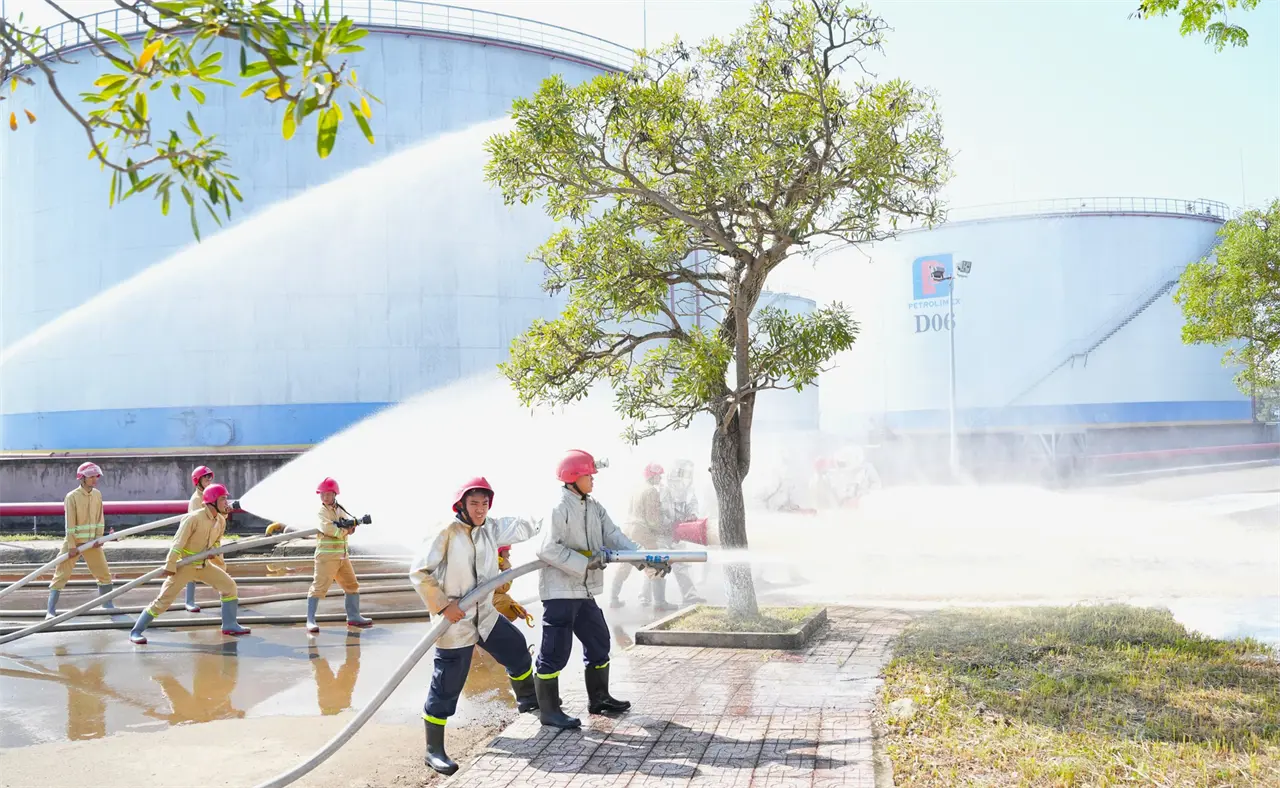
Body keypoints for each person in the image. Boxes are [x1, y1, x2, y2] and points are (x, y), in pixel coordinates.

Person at [409, 477, 541, 775]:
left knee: (517, 650)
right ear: (461, 505)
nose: (480, 509)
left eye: (484, 503)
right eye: (474, 503)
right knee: (447, 684)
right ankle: (433, 750)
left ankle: (529, 703)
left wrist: (551, 517)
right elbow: (419, 572)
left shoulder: (490, 529)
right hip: (455, 620)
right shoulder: (446, 531)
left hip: (486, 614)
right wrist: (443, 605)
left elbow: (522, 526)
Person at [534, 449, 670, 730]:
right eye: (589, 475)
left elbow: (616, 537)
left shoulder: (594, 506)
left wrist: (646, 559)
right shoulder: (558, 507)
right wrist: (584, 563)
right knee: (555, 652)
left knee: (599, 642)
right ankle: (550, 711)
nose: (593, 479)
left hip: (583, 592)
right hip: (560, 592)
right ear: (573, 478)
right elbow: (546, 548)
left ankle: (599, 699)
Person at [129, 483, 250, 644]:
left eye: (226, 499)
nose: (226, 503)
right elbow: (177, 543)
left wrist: (213, 551)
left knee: (229, 587)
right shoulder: (193, 518)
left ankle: (229, 625)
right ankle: (136, 631)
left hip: (204, 565)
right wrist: (170, 564)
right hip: (185, 566)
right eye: (223, 499)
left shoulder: (220, 520)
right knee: (163, 601)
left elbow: (216, 541)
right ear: (212, 501)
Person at [46, 462, 116, 619]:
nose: (94, 479)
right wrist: (71, 546)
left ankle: (107, 605)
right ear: (82, 478)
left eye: (96, 476)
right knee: (61, 575)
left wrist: (99, 537)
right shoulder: (72, 497)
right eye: (91, 477)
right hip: (75, 543)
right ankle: (50, 611)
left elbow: (100, 518)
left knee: (104, 573)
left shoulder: (97, 495)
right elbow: (70, 524)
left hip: (92, 543)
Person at [306, 477, 375, 632]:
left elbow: (346, 525)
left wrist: (352, 526)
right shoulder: (321, 512)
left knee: (352, 585)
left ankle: (354, 617)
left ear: (334, 494)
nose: (325, 497)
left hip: (342, 556)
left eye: (328, 494)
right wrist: (345, 530)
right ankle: (310, 621)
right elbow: (330, 530)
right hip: (326, 558)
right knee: (319, 587)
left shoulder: (340, 509)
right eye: (322, 494)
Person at [609, 463, 673, 612]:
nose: (660, 478)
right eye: (659, 475)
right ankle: (660, 603)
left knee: (625, 564)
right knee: (656, 563)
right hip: (642, 531)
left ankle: (613, 599)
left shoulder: (636, 488)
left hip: (628, 529)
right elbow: (652, 519)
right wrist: (664, 529)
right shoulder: (651, 491)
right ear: (653, 476)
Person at [660, 460, 708, 603]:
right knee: (656, 564)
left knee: (681, 563)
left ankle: (690, 596)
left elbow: (692, 503)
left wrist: (692, 515)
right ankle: (647, 597)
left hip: (678, 533)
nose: (688, 476)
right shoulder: (664, 489)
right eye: (685, 472)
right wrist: (670, 525)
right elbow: (660, 511)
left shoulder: (688, 489)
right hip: (663, 534)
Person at [182, 465, 225, 614]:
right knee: (192, 569)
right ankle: (189, 602)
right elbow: (198, 521)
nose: (208, 479)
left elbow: (218, 515)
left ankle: (226, 597)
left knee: (220, 566)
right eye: (205, 477)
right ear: (197, 481)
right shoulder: (196, 500)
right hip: (198, 540)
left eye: (209, 477)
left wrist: (225, 511)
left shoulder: (212, 493)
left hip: (212, 538)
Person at [492, 545, 533, 627]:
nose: (508, 555)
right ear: (498, 553)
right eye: (506, 551)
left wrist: (515, 606)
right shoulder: (487, 568)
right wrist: (507, 570)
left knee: (510, 610)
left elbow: (496, 593)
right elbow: (502, 589)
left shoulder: (490, 567)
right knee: (504, 603)